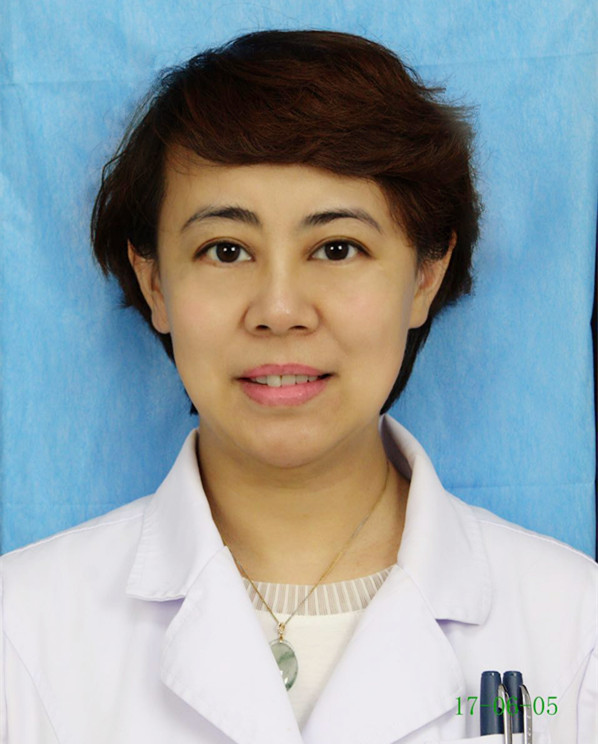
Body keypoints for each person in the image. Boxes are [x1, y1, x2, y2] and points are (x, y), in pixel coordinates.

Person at [0, 29, 595, 744]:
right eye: (226, 250)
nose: (279, 310)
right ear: (154, 282)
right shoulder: (21, 632)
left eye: (337, 248)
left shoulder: (573, 630)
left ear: (425, 277)